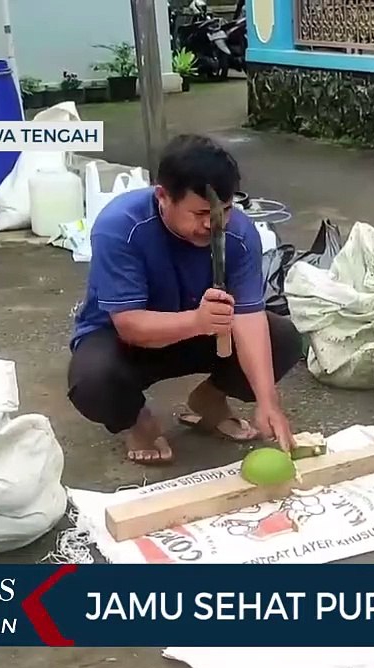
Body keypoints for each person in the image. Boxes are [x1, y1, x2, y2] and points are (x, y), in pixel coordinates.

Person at [67, 134, 301, 465]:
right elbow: (130, 324)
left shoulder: (239, 234)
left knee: (283, 338)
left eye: (225, 210)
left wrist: (268, 402)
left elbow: (249, 317)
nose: (213, 224)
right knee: (92, 381)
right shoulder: (120, 226)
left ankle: (210, 399)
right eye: (201, 212)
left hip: (203, 334)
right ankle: (138, 419)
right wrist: (196, 320)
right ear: (163, 196)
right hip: (127, 342)